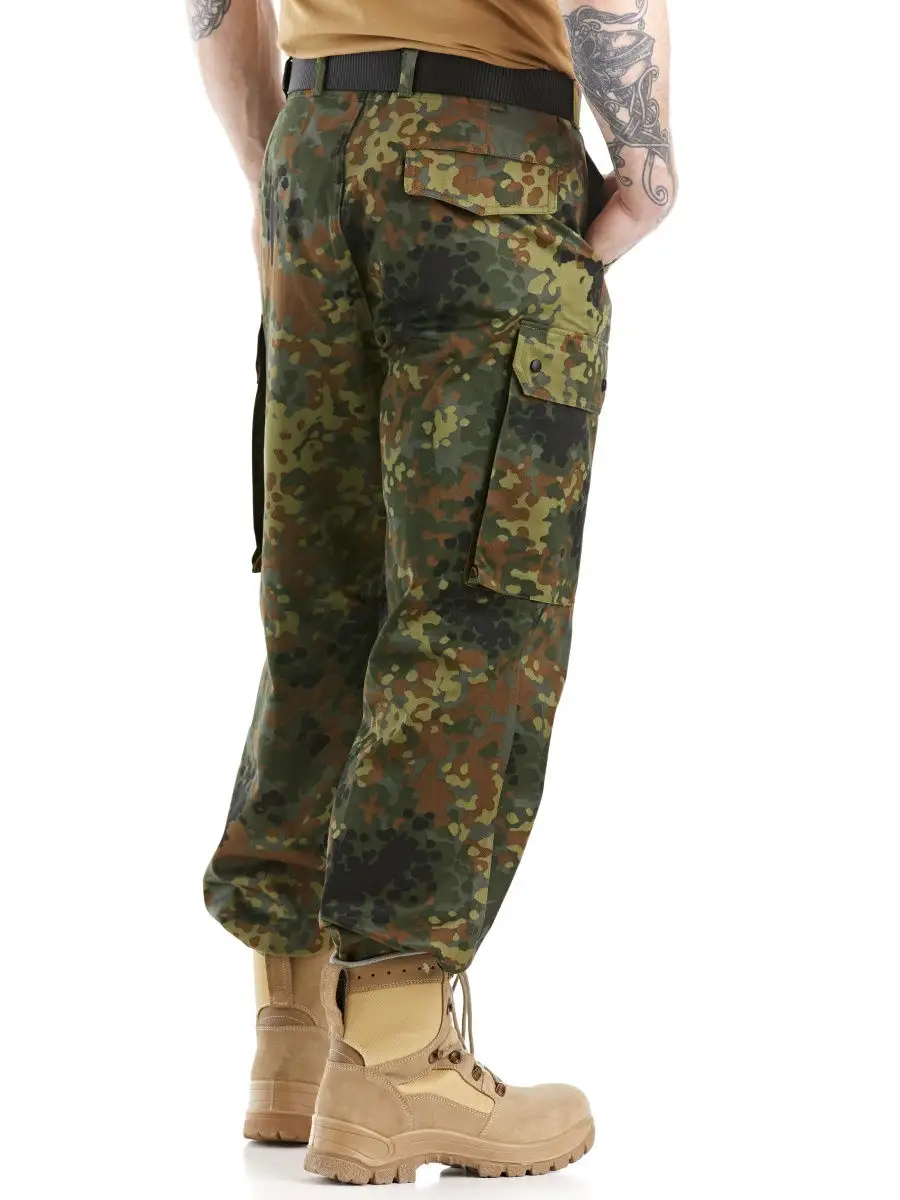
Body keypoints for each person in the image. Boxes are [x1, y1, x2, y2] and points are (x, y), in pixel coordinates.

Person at [188, 0, 676, 1183]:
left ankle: (295, 1034)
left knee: (321, 597)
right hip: (481, 159)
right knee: (470, 609)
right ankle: (400, 1061)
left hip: (315, 148)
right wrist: (646, 159)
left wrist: (274, 159)